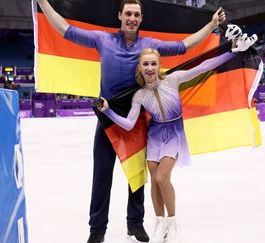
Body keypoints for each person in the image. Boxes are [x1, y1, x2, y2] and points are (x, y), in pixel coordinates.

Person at [35, 0, 227, 242]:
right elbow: (65, 30)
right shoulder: (101, 39)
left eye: (136, 14)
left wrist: (211, 26)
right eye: (128, 13)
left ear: (141, 19)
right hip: (108, 114)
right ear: (120, 16)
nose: (132, 18)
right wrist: (42, 2)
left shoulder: (150, 46)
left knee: (137, 174)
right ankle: (97, 231)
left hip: (137, 113)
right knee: (102, 175)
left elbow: (182, 46)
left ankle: (135, 224)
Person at [99, 34, 257, 243]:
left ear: (159, 65)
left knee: (162, 178)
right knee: (154, 182)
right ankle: (159, 224)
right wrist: (108, 111)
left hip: (174, 133)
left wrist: (232, 52)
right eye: (145, 64)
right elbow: (128, 123)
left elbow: (202, 68)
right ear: (139, 68)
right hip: (154, 135)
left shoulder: (173, 79)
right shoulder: (139, 95)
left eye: (153, 64)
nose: (149, 68)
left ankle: (172, 224)